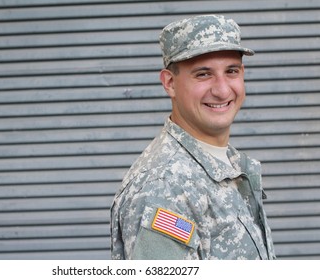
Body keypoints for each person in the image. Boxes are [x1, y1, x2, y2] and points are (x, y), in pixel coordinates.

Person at [110, 14, 276, 260]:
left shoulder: (225, 162)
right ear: (170, 83)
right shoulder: (165, 188)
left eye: (231, 71)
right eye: (203, 74)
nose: (222, 90)